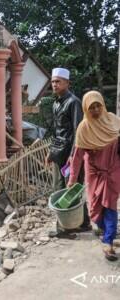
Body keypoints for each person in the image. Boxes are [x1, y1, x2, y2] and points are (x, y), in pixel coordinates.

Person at [68, 91, 120, 261]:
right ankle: (106, 231)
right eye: (92, 107)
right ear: (86, 109)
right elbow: (76, 158)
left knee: (110, 205)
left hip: (113, 170)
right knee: (95, 210)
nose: (96, 110)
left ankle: (108, 242)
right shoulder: (84, 129)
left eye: (98, 105)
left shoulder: (113, 120)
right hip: (94, 172)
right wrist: (72, 180)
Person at [46, 67, 90, 235]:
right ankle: (74, 224)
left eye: (58, 81)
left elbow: (78, 132)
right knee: (59, 188)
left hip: (71, 154)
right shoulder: (56, 102)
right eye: (53, 81)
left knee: (72, 188)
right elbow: (56, 132)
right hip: (59, 153)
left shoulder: (74, 102)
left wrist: (73, 156)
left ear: (67, 83)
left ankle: (74, 225)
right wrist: (50, 152)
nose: (55, 84)